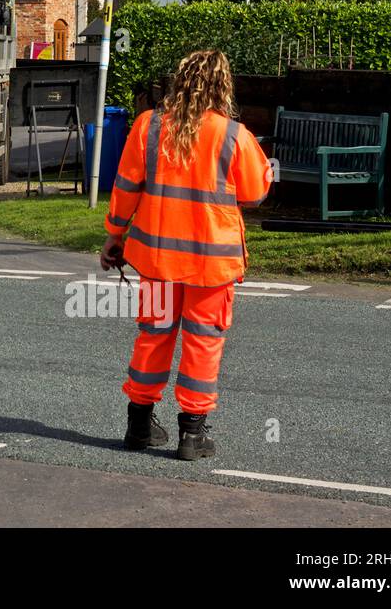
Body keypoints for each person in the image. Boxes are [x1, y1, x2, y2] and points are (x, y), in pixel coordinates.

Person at [101, 49, 271, 460]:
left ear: (179, 82)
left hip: (158, 261)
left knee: (154, 337)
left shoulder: (149, 127)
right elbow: (255, 192)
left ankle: (139, 424)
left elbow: (125, 186)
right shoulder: (233, 135)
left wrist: (114, 236)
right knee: (202, 343)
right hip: (211, 264)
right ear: (223, 86)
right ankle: (192, 435)